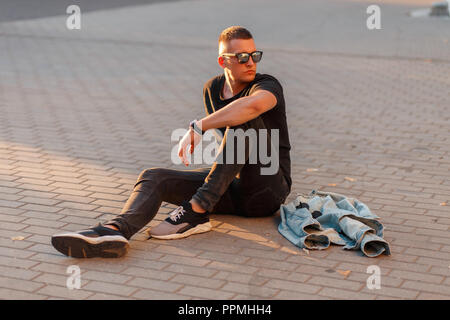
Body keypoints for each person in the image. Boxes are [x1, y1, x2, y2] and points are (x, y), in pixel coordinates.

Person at [51, 26, 292, 258]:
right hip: (232, 189)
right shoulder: (213, 88)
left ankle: (197, 210)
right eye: (241, 57)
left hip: (267, 190)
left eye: (254, 55)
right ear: (223, 61)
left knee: (243, 119)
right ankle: (114, 232)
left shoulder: (267, 84)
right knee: (154, 176)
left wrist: (200, 126)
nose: (250, 62)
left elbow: (254, 105)